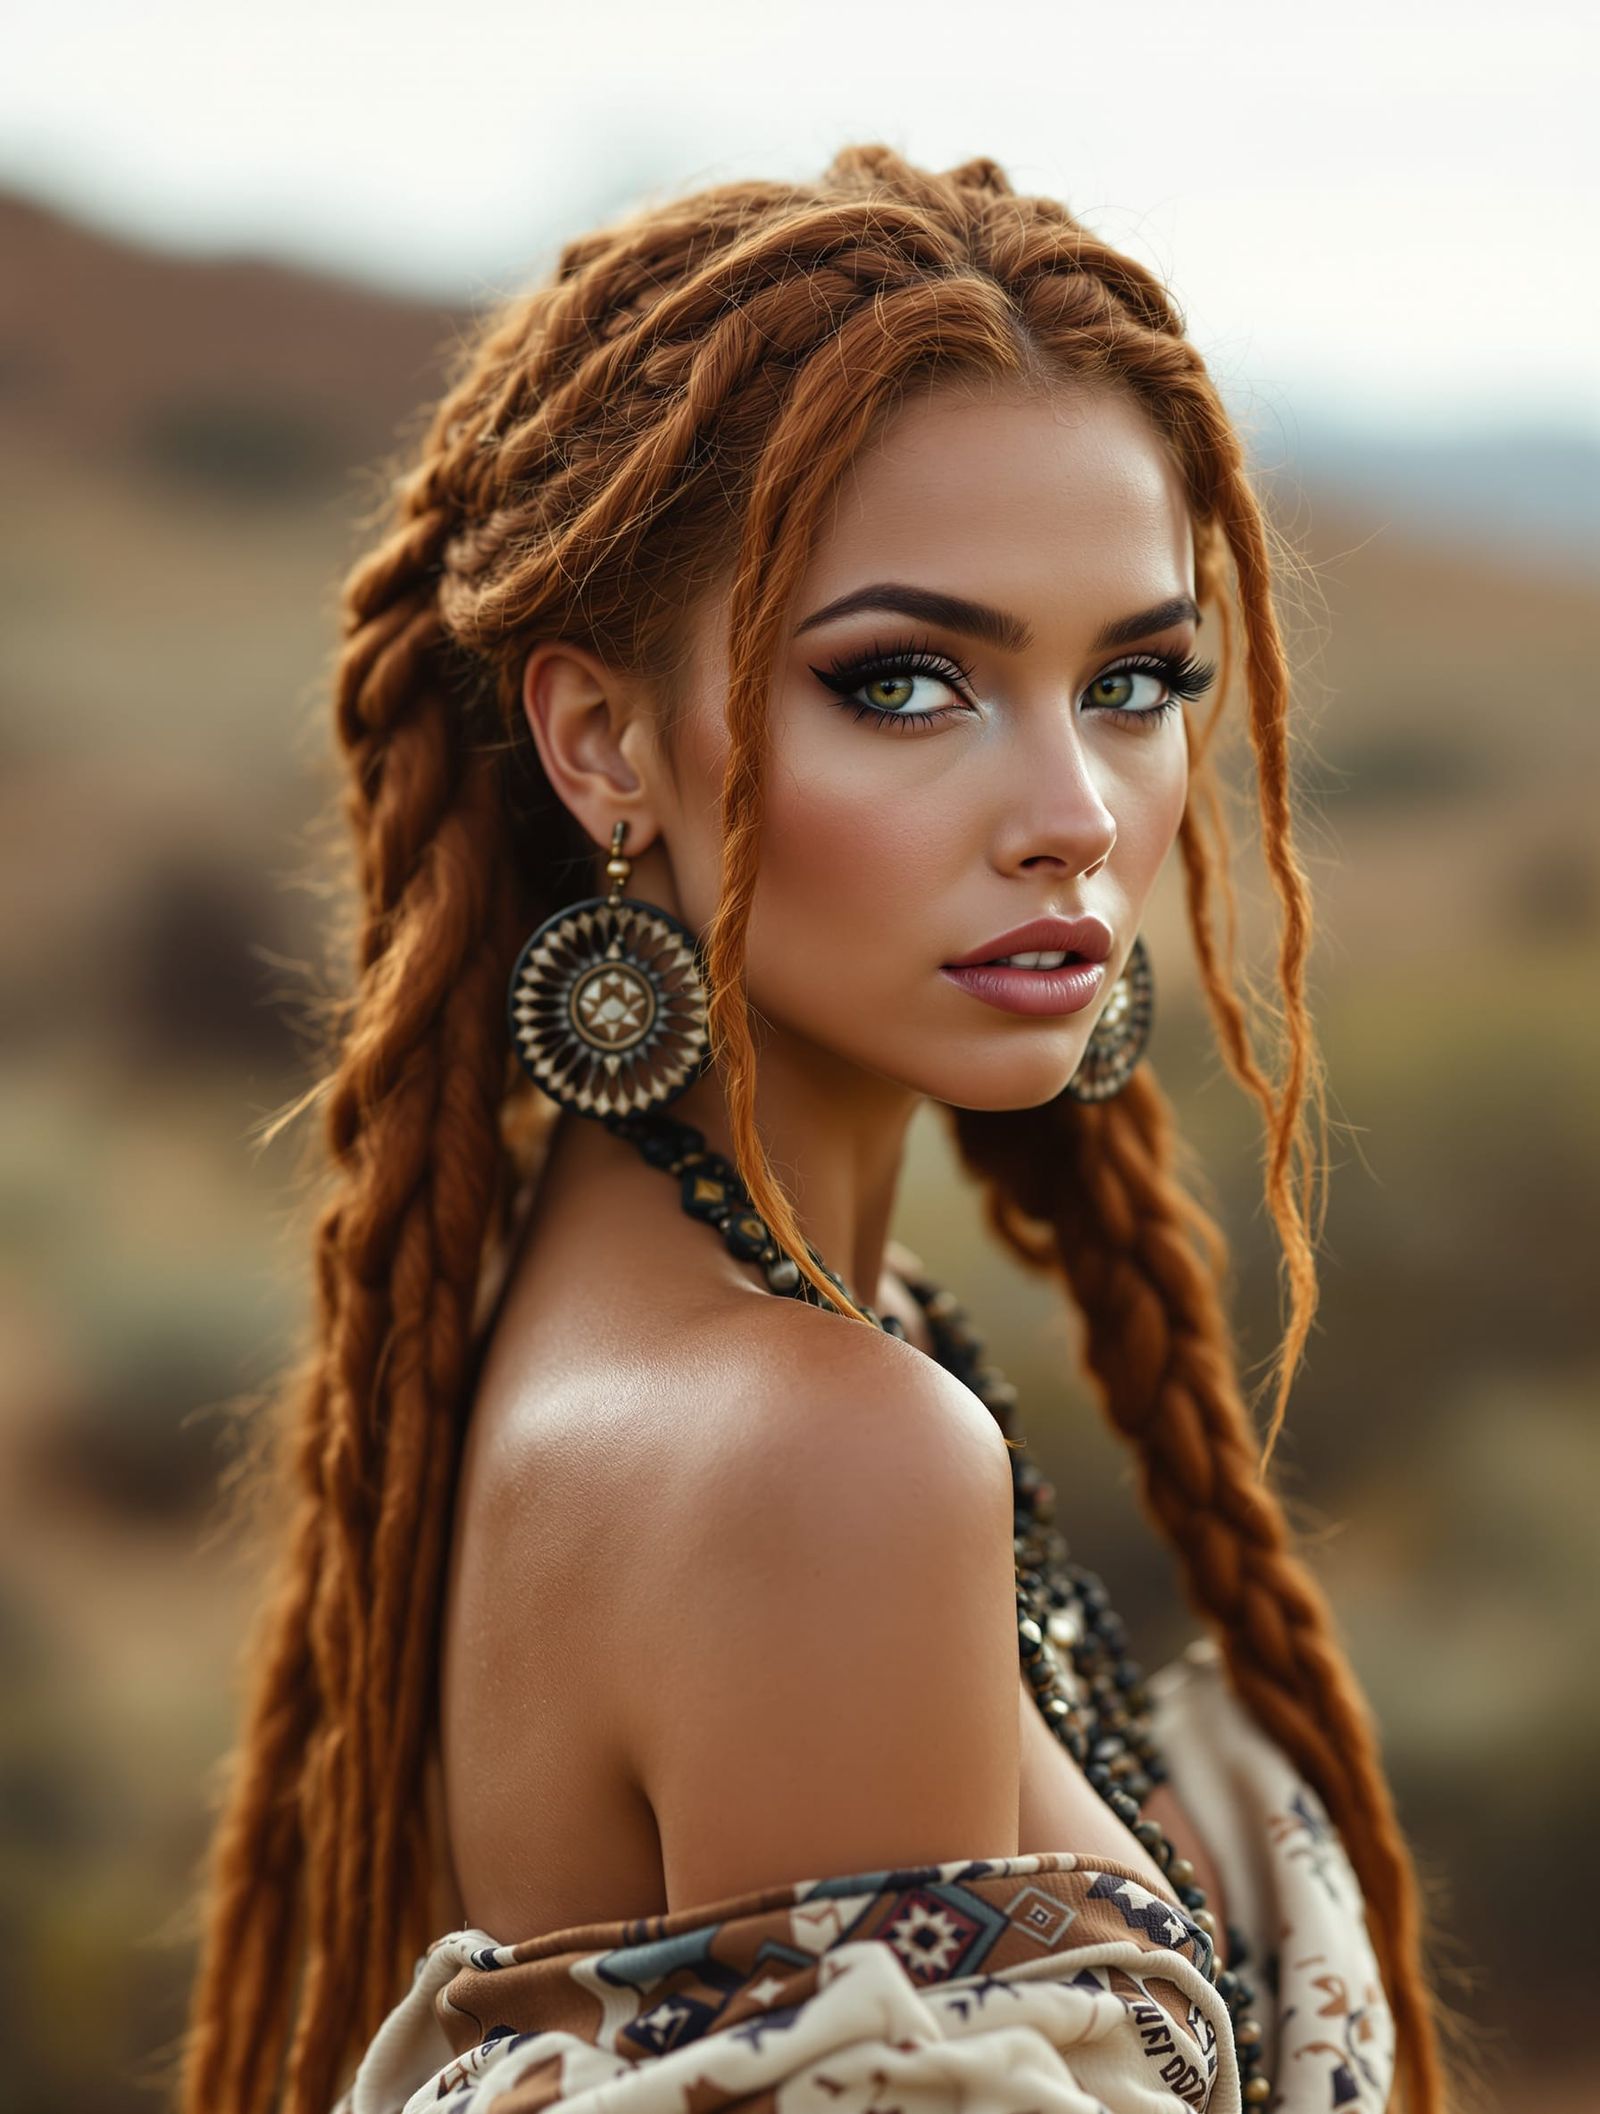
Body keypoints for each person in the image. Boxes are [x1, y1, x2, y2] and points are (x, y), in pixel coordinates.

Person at [170, 144, 1481, 2114]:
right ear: (603, 742)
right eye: (907, 683)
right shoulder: (816, 1453)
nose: (1074, 814)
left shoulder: (663, 1322)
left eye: (1133, 680)